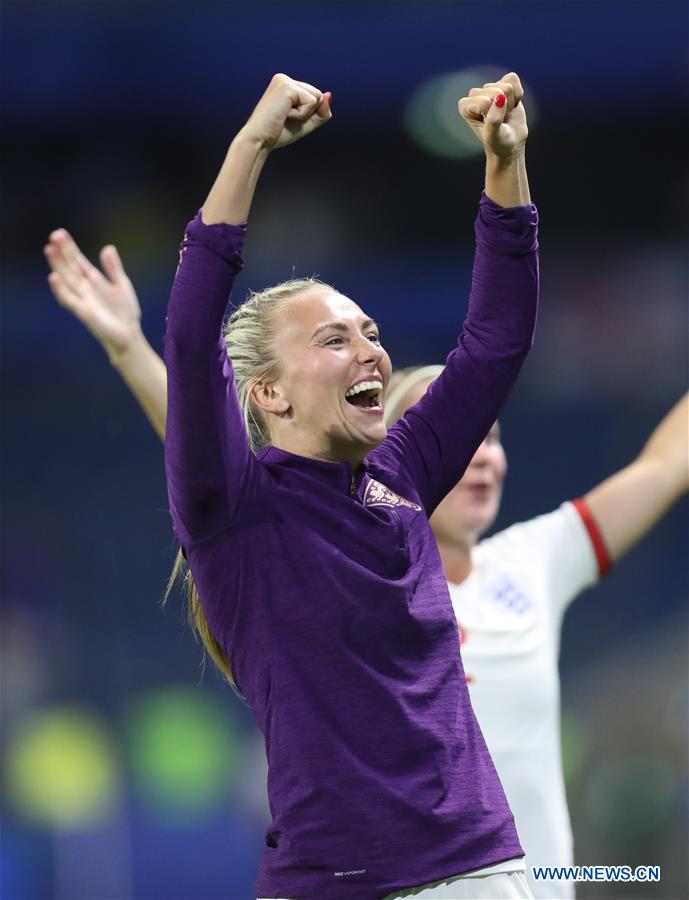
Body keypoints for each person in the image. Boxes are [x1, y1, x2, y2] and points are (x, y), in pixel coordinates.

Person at [45, 72, 539, 899]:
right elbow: (195, 331)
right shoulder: (235, 506)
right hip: (328, 881)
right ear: (267, 393)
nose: (371, 351)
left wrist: (504, 162)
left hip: (474, 869)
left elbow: (494, 341)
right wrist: (250, 146)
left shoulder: (402, 474)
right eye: (333, 339)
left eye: (371, 334)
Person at [383, 366, 688, 898]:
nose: (480, 454)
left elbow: (664, 466)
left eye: (492, 436)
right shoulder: (347, 591)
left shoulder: (532, 561)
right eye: (450, 433)